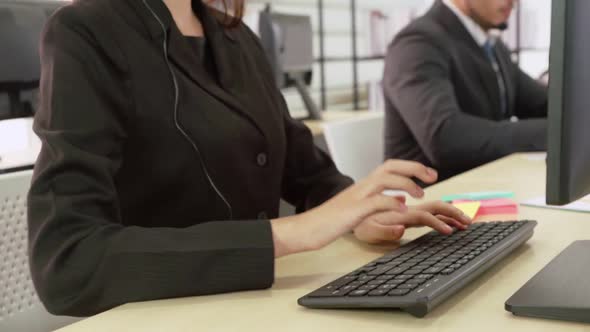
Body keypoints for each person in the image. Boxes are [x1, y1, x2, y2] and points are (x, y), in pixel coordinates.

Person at [27, 0, 471, 317]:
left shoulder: (237, 36)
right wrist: (289, 234)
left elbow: (307, 173)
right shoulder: (87, 31)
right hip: (164, 315)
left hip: (256, 308)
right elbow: (67, 263)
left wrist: (364, 213)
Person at [383, 0, 548, 181]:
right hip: (430, 197)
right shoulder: (417, 42)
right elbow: (445, 138)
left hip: (486, 186)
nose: (514, 2)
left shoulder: (491, 45)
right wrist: (553, 133)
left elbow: (541, 103)